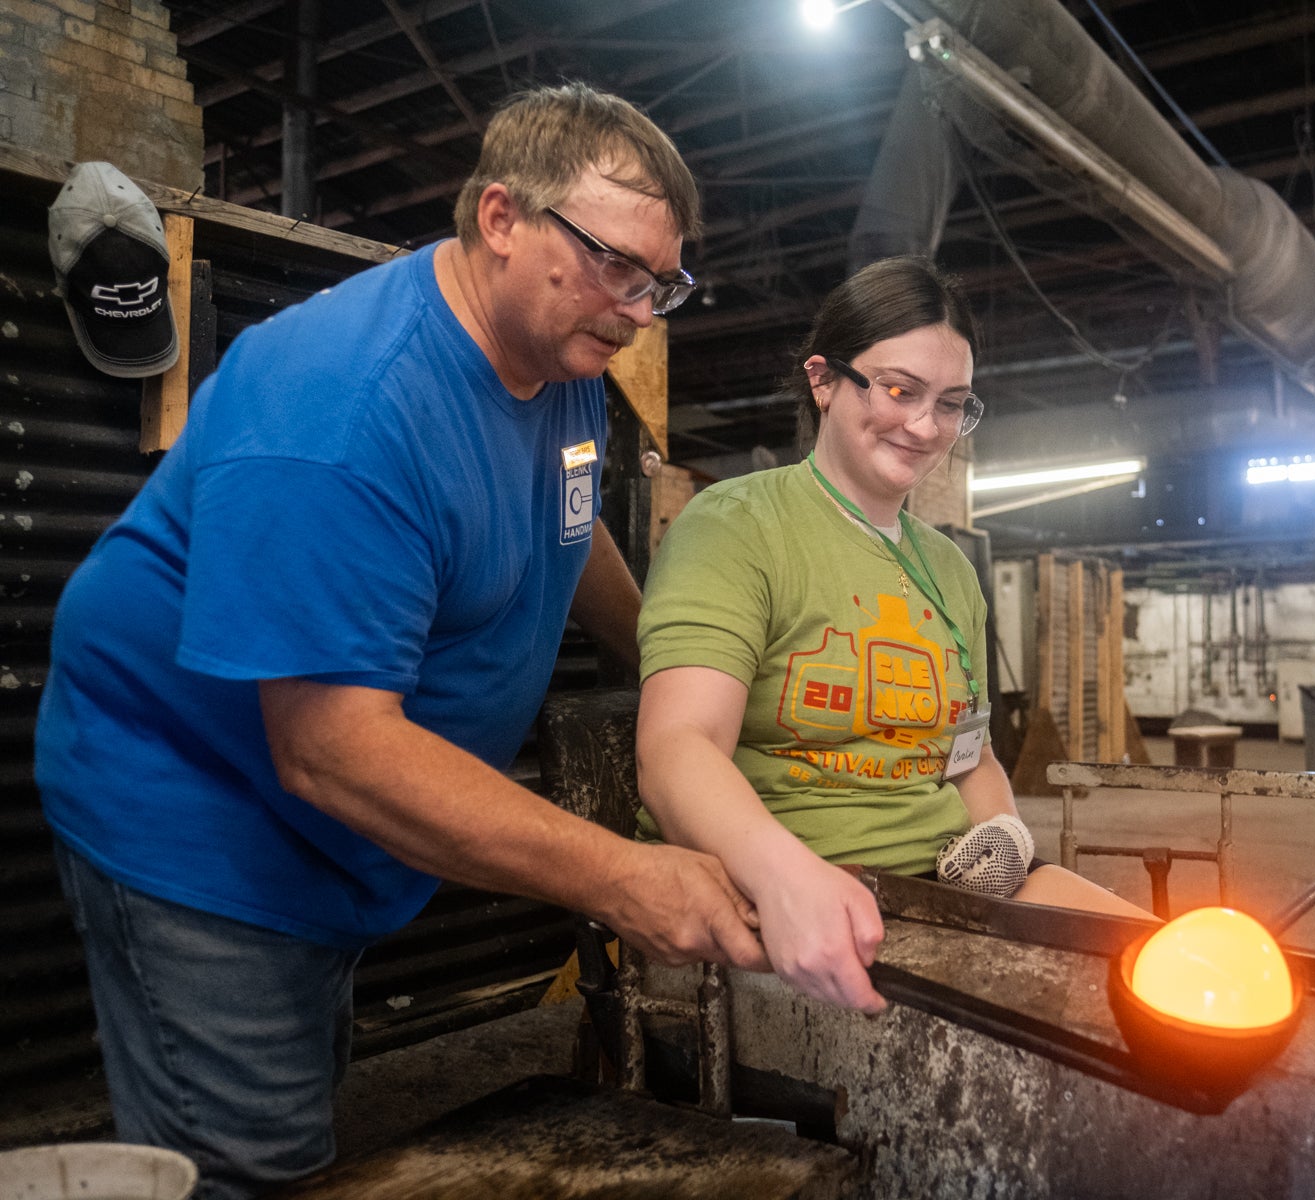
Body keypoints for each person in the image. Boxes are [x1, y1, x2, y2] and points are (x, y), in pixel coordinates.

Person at [33, 84, 768, 1199]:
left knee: (302, 1081)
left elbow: (571, 528)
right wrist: (623, 875)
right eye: (616, 265)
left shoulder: (564, 359)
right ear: (502, 218)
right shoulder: (343, 410)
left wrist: (681, 664)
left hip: (331, 835)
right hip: (198, 816)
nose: (635, 312)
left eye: (661, 284)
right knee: (249, 1160)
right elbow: (331, 752)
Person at [634, 257, 1147, 1015]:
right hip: (771, 897)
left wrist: (1004, 836)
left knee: (1170, 970)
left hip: (939, 889)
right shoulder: (737, 527)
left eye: (952, 404)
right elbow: (677, 751)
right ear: (823, 380)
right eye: (900, 390)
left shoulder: (947, 567)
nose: (924, 426)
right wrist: (788, 880)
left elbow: (968, 757)